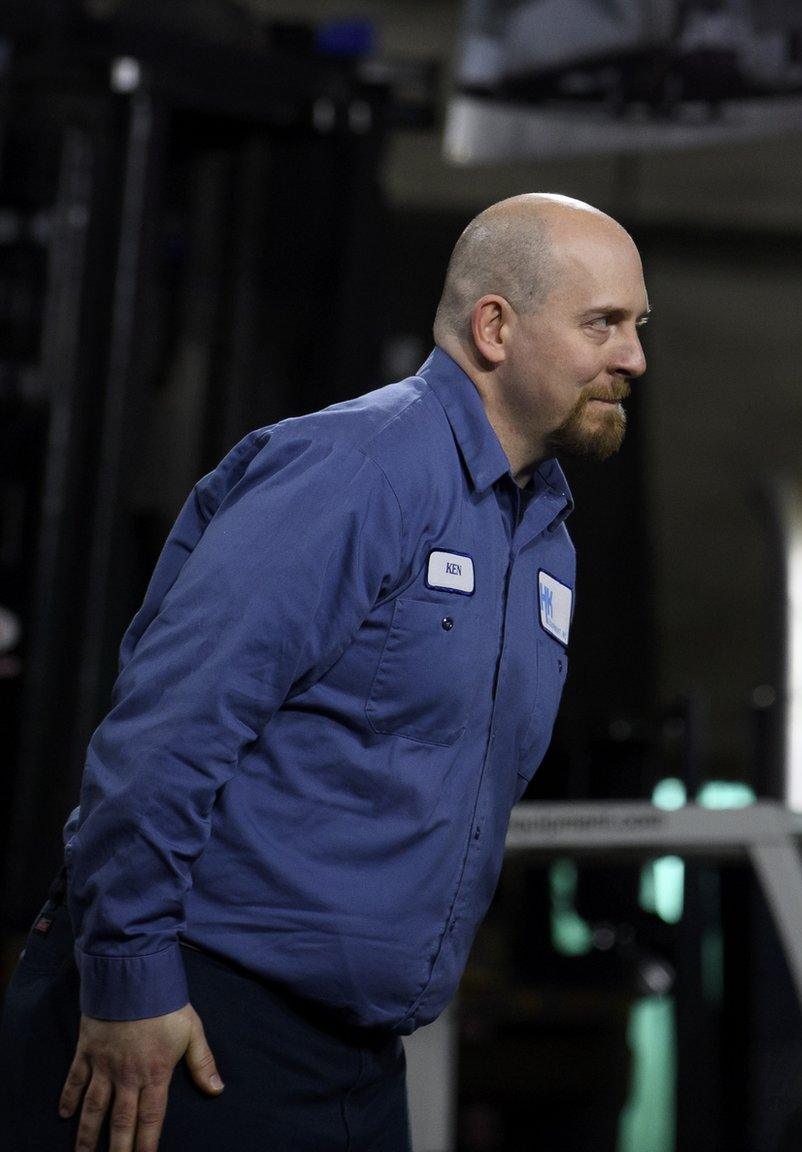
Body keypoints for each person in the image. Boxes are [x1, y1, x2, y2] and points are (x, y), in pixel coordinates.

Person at [0, 193, 649, 1152]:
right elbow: (167, 732)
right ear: (496, 327)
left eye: (638, 327)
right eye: (604, 323)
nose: (633, 357)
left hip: (353, 1060)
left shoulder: (542, 535)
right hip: (189, 1025)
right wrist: (132, 980)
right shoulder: (355, 472)